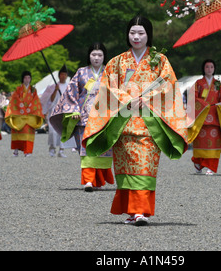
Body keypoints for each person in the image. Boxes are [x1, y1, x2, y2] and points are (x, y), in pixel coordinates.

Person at [82, 16, 188, 226]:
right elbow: (106, 88)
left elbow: (170, 87)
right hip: (123, 123)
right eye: (132, 33)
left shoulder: (160, 60)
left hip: (149, 125)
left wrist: (147, 98)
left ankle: (141, 211)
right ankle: (132, 211)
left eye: (141, 33)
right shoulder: (117, 62)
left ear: (148, 35)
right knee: (125, 168)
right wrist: (127, 98)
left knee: (144, 166)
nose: (136, 37)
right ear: (127, 35)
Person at [50, 43, 114, 191]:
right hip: (83, 117)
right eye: (93, 54)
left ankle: (97, 180)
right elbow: (71, 93)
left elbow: (116, 93)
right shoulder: (81, 72)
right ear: (89, 55)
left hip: (104, 117)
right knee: (86, 149)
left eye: (99, 55)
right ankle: (88, 181)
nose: (96, 58)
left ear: (104, 56)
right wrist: (73, 110)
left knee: (101, 148)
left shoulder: (110, 73)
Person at [188, 59, 221, 175]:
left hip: (215, 116)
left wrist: (220, 105)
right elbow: (192, 98)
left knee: (214, 143)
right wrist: (203, 104)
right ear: (203, 68)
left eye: (211, 67)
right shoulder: (198, 83)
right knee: (200, 143)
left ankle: (211, 167)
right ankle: (198, 163)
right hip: (201, 117)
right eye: (207, 67)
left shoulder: (217, 83)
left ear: (214, 69)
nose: (209, 69)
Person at [5, 71, 44, 157]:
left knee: (28, 132)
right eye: (25, 77)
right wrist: (22, 108)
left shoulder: (33, 90)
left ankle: (28, 151)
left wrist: (29, 108)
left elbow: (36, 101)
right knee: (18, 131)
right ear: (23, 79)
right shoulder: (18, 89)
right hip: (20, 113)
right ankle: (16, 150)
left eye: (29, 78)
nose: (27, 79)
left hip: (30, 114)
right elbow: (15, 100)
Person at [40, 65, 75, 157]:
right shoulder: (53, 86)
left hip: (65, 111)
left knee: (63, 131)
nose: (63, 76)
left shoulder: (69, 87)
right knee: (52, 131)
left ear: (67, 76)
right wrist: (55, 90)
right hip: (54, 111)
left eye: (65, 74)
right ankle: (52, 148)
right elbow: (50, 100)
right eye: (61, 74)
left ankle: (61, 150)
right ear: (59, 76)